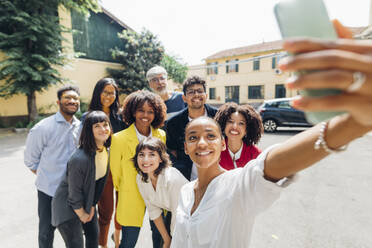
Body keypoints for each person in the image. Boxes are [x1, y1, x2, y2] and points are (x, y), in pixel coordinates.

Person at [170, 22, 372, 248]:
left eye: (210, 135)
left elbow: (270, 165)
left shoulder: (236, 187)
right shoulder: (186, 192)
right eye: (193, 137)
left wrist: (353, 123)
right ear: (186, 148)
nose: (202, 143)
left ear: (223, 144)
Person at [24, 85, 80, 248]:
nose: (72, 101)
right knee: (46, 234)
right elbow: (31, 160)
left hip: (74, 193)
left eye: (75, 98)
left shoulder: (82, 127)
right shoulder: (43, 128)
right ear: (58, 101)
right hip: (49, 191)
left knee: (75, 238)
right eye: (68, 98)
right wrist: (48, 176)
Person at [110, 90, 167, 248]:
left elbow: (162, 164)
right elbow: (116, 174)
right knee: (128, 242)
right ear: (132, 111)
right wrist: (127, 188)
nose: (145, 115)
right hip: (131, 195)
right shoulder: (118, 139)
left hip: (157, 194)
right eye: (141, 110)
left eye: (150, 111)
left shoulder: (161, 135)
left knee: (159, 237)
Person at [51, 111, 111, 248]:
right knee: (76, 245)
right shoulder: (79, 159)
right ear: (89, 130)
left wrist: (91, 206)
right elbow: (74, 192)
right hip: (67, 206)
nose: (103, 129)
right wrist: (82, 213)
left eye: (105, 124)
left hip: (87, 202)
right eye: (97, 126)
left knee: (93, 238)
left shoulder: (105, 151)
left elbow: (98, 184)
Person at [82, 78, 126, 248]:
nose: (109, 96)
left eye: (112, 93)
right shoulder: (88, 116)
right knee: (106, 211)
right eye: (105, 92)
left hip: (121, 168)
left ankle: (117, 238)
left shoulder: (121, 116)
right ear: (98, 93)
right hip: (101, 170)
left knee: (122, 208)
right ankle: (103, 244)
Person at [134, 137, 188, 248]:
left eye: (152, 154)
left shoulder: (172, 178)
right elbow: (153, 211)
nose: (145, 160)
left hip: (192, 216)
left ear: (161, 158)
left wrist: (173, 243)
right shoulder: (140, 178)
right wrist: (167, 239)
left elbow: (178, 216)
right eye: (141, 154)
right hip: (174, 214)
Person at [165, 76, 218, 180]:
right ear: (184, 98)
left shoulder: (219, 117)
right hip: (187, 178)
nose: (196, 95)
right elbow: (173, 151)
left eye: (200, 91)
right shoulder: (173, 123)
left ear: (206, 95)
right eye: (191, 92)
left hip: (218, 176)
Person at [214, 102, 263, 170]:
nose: (234, 126)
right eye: (230, 121)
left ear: (247, 129)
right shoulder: (214, 151)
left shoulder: (256, 155)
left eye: (241, 123)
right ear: (223, 125)